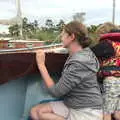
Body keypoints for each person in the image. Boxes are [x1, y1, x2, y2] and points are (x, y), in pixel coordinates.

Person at [30, 21, 103, 120]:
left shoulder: (78, 63)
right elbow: (68, 51)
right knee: (35, 111)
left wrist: (41, 64)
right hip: (74, 104)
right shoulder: (85, 52)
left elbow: (56, 92)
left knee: (42, 114)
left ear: (72, 37)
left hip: (86, 112)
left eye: (63, 34)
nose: (61, 37)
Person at [92, 24, 120, 120]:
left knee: (106, 114)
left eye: (99, 35)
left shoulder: (106, 44)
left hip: (111, 82)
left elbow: (91, 52)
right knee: (117, 114)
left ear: (104, 33)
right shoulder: (118, 44)